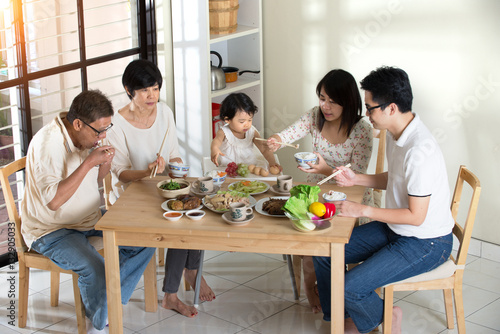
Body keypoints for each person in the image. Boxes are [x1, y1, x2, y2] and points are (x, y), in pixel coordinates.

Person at [313, 66, 454, 334]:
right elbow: (396, 178)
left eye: (370, 108)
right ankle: (345, 321)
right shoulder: (395, 133)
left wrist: (362, 209)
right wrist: (357, 179)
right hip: (398, 230)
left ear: (390, 108)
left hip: (427, 242)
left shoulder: (419, 151)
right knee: (324, 252)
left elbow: (416, 216)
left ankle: (387, 317)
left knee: (351, 286)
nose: (366, 115)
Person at [20, 90, 156, 332]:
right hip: (51, 230)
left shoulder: (87, 136)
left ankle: (105, 305)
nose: (103, 136)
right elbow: (53, 201)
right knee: (95, 268)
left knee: (146, 236)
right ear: (77, 123)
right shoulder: (47, 145)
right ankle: (104, 317)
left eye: (106, 129)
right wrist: (89, 162)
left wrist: (103, 165)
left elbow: (95, 180)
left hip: (89, 219)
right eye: (99, 131)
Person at [106, 59, 214, 318]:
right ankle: (172, 295)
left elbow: (174, 154)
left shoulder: (164, 111)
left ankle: (191, 270)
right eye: (145, 90)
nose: (151, 95)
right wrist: (147, 171)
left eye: (155, 88)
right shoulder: (116, 124)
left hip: (164, 186)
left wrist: (175, 169)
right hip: (131, 195)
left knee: (195, 206)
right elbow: (120, 173)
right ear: (128, 89)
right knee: (175, 218)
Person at [265, 69, 374, 313]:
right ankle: (312, 290)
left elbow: (355, 178)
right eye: (322, 98)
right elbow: (290, 133)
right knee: (310, 247)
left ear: (348, 102)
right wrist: (276, 140)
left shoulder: (362, 130)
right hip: (316, 192)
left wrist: (325, 169)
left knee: (343, 250)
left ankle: (345, 299)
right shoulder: (316, 116)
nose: (325, 106)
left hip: (350, 197)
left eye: (333, 102)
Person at [210, 92, 281, 171]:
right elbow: (216, 141)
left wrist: (272, 163)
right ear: (227, 119)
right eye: (242, 122)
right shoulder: (224, 131)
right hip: (228, 168)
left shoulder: (252, 131)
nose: (247, 125)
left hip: (249, 168)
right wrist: (215, 148)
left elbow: (263, 149)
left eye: (250, 120)